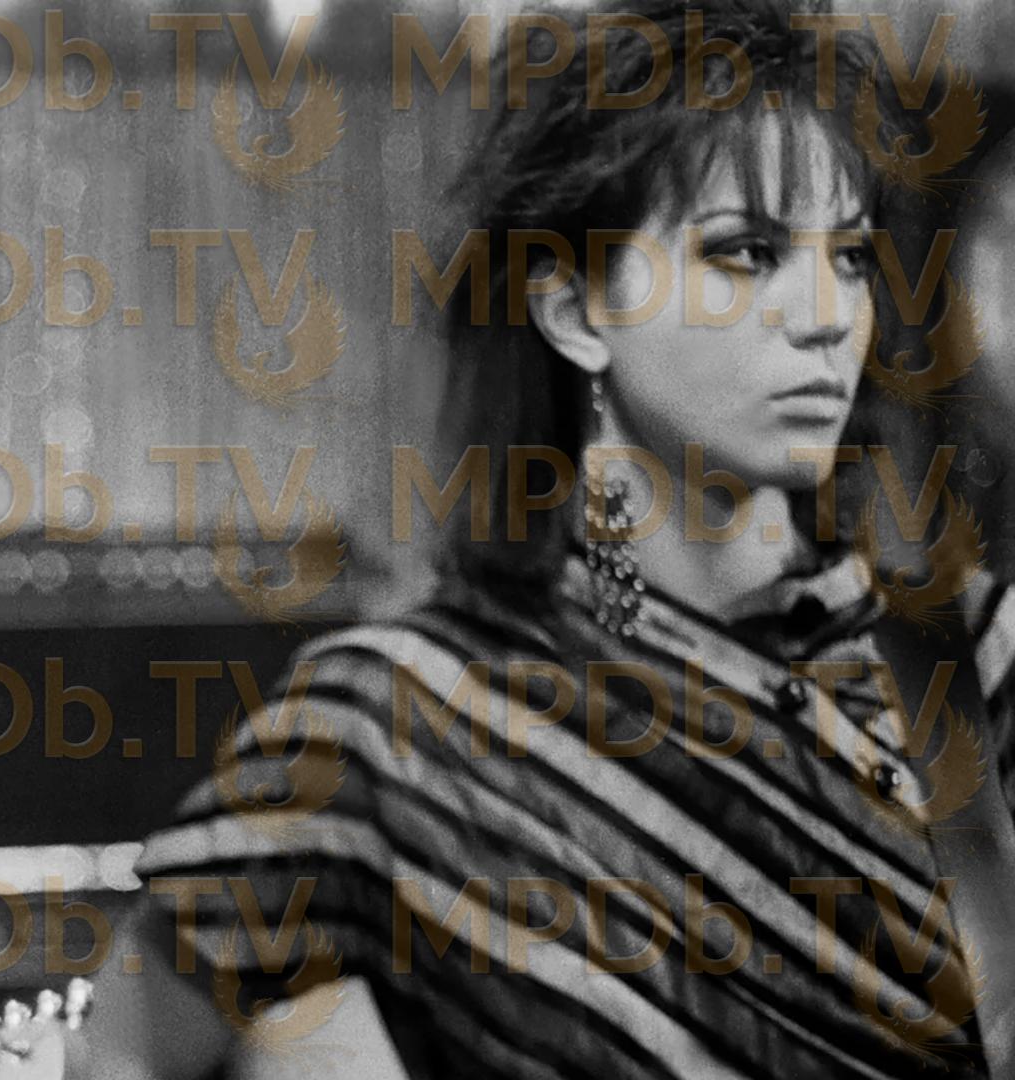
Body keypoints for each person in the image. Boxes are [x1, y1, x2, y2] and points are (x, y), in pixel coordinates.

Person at [105, 1, 1015, 1077]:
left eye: (852, 256)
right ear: (577, 310)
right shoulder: (392, 720)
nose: (827, 313)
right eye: (749, 252)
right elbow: (113, 1054)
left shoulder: (967, 655)